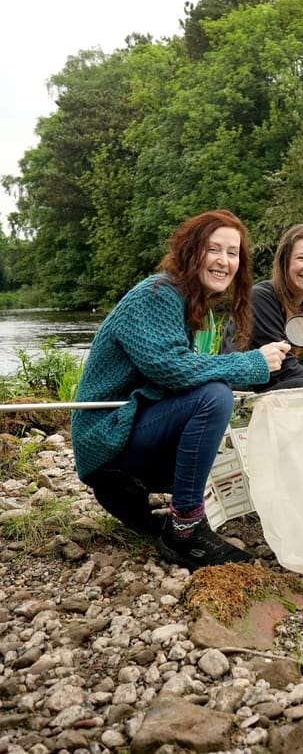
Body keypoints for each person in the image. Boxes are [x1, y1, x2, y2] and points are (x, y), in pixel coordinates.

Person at [71, 210, 290, 569]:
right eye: (213, 249)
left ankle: (133, 500)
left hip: (127, 429)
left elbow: (175, 377)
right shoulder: (157, 293)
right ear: (190, 251)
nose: (224, 261)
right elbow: (170, 369)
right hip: (105, 436)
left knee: (214, 417)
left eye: (232, 253)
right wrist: (252, 362)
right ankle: (185, 529)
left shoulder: (188, 301)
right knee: (214, 397)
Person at [220, 223, 303, 391]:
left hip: (290, 389)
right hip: (246, 392)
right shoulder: (259, 298)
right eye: (302, 258)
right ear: (285, 262)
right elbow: (283, 370)